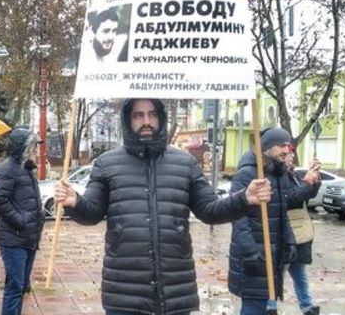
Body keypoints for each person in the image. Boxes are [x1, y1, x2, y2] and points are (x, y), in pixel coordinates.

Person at [54, 99, 272, 314]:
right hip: (124, 292)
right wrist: (75, 203)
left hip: (174, 290)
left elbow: (210, 210)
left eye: (152, 114)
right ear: (128, 120)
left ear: (161, 118)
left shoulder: (184, 162)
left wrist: (244, 198)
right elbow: (92, 212)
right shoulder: (106, 163)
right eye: (138, 115)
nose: (146, 121)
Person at [228, 127, 297, 314]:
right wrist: (251, 251)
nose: (287, 150)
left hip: (273, 256)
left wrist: (289, 240)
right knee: (254, 307)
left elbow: (282, 213)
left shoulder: (279, 174)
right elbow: (238, 217)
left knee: (264, 306)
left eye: (288, 146)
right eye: (281, 145)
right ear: (267, 147)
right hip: (255, 257)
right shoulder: (248, 174)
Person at [0, 128, 44, 315]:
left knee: (20, 288)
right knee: (14, 288)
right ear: (22, 148)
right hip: (14, 240)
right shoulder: (8, 168)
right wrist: (20, 221)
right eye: (32, 147)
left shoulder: (26, 169)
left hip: (28, 239)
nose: (36, 152)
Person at [285, 151, 321, 315]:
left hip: (297, 231)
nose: (291, 155)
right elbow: (290, 199)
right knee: (278, 272)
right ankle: (269, 306)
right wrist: (306, 181)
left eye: (292, 153)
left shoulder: (291, 174)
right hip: (286, 231)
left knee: (299, 271)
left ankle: (307, 306)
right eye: (287, 153)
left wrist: (315, 179)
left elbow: (306, 196)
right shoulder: (278, 175)